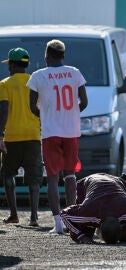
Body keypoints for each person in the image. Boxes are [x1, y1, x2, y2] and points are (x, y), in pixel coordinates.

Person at [28, 39, 88, 234]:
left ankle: (58, 225)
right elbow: (84, 102)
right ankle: (72, 221)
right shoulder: (75, 73)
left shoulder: (38, 76)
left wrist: (47, 116)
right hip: (71, 132)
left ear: (47, 55)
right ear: (63, 55)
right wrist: (70, 115)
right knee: (70, 176)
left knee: (52, 179)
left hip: (50, 132)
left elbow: (32, 107)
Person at [0, 48, 43, 226]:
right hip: (33, 135)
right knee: (34, 178)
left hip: (12, 136)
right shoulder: (36, 83)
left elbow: (3, 111)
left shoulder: (5, 84)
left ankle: (14, 215)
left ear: (12, 64)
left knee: (8, 175)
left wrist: (0, 134)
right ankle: (34, 217)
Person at [60, 173, 126, 244]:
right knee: (84, 235)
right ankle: (84, 234)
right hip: (88, 182)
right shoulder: (89, 211)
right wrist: (81, 236)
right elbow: (64, 214)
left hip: (117, 181)